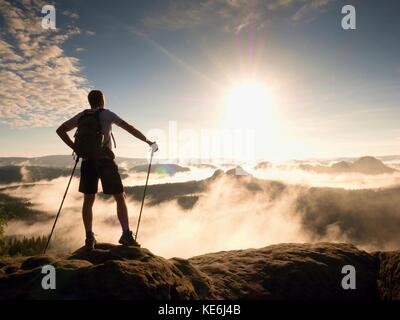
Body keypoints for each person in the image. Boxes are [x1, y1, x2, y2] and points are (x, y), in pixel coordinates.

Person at [56, 90, 158, 250]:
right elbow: (129, 128)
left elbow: (60, 130)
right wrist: (148, 142)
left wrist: (76, 148)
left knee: (88, 201)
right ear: (102, 100)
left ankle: (89, 238)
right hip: (105, 161)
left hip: (87, 161)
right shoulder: (107, 114)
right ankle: (126, 235)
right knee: (119, 196)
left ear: (90, 101)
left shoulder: (81, 116)